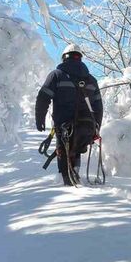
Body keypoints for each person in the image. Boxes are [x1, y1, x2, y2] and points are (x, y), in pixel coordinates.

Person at [35, 44, 103, 186]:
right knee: (77, 149)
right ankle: (75, 173)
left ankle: (67, 181)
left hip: (64, 126)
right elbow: (98, 107)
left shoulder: (56, 75)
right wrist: (97, 127)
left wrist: (39, 118)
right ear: (80, 58)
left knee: (64, 150)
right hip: (87, 126)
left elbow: (43, 97)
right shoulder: (91, 80)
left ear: (64, 57)